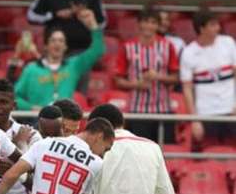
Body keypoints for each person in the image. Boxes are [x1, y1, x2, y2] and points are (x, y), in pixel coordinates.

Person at [14, 9, 104, 110]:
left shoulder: (73, 65)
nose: (57, 44)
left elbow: (97, 50)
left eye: (61, 41)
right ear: (46, 46)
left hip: (64, 120)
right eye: (53, 40)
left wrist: (93, 26)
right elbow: (14, 98)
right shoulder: (31, 69)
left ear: (65, 46)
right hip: (37, 120)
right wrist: (31, 108)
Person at [114, 9, 180, 142]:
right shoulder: (128, 47)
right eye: (146, 22)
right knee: (139, 153)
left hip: (163, 110)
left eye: (153, 22)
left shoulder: (168, 46)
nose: (149, 26)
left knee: (165, 153)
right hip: (137, 110)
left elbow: (176, 78)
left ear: (158, 25)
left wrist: (158, 76)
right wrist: (136, 84)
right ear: (139, 24)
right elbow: (117, 79)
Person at [180, 10, 236, 147]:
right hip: (205, 113)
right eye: (212, 25)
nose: (218, 28)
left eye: (217, 24)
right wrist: (194, 120)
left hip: (231, 110)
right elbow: (187, 89)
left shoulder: (228, 43)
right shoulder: (189, 52)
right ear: (201, 28)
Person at [27, 0, 107, 53]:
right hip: (55, 49)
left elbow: (103, 23)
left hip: (83, 50)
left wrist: (89, 19)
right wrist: (54, 15)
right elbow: (31, 16)